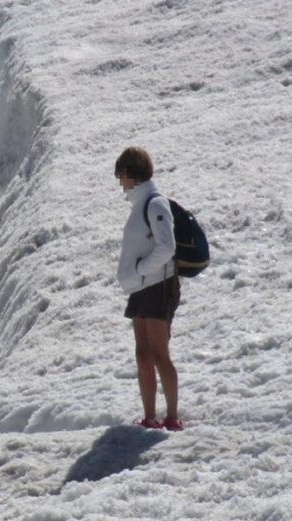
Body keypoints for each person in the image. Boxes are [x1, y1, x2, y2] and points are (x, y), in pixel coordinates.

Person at [114, 147, 184, 431]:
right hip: (141, 288)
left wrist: (141, 270)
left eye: (121, 176)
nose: (120, 183)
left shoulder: (154, 204)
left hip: (157, 286)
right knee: (143, 353)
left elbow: (167, 247)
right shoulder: (140, 204)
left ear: (131, 173)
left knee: (158, 353)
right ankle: (150, 416)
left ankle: (171, 416)